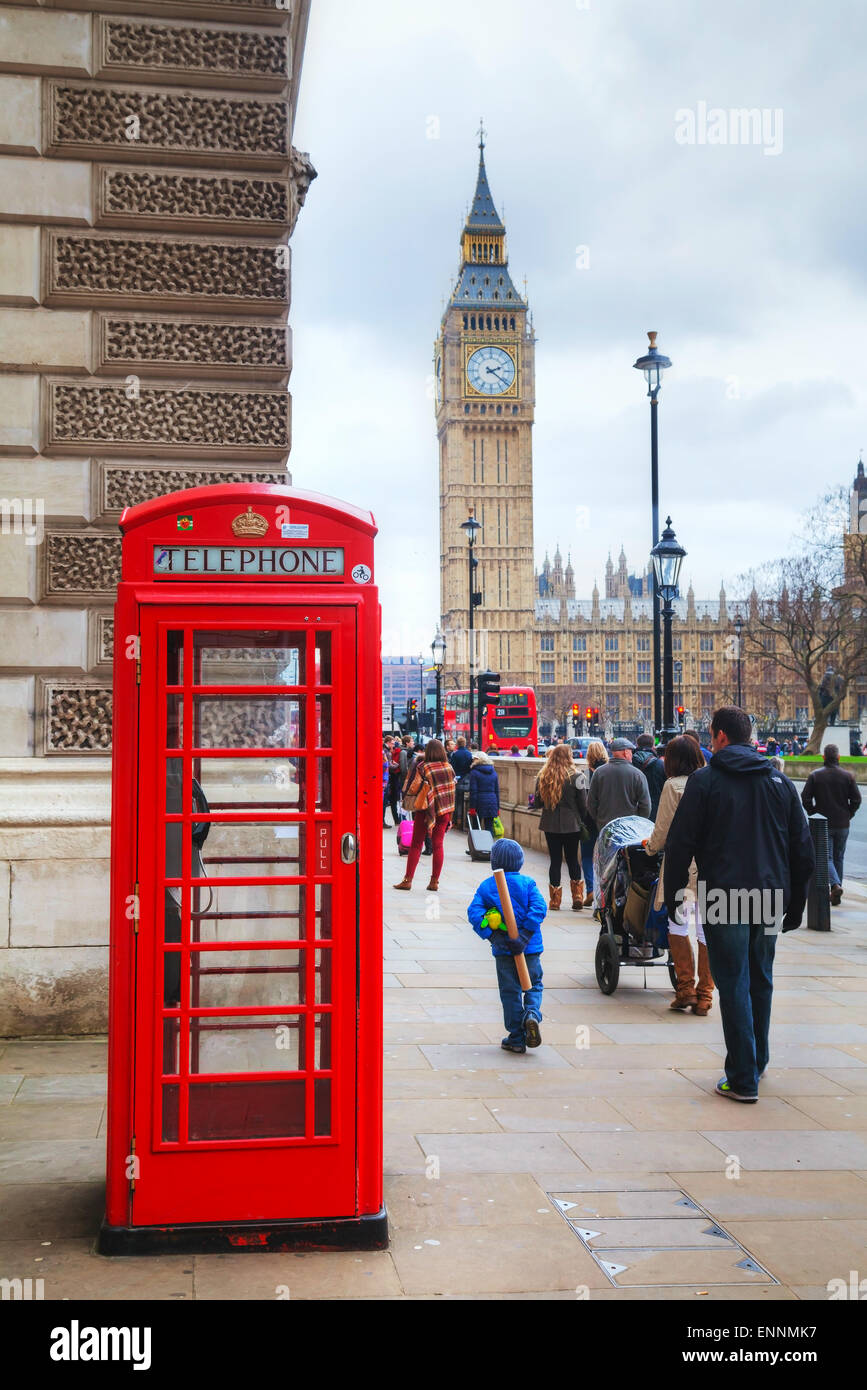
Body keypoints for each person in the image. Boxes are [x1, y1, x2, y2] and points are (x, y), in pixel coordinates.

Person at [664, 706, 815, 1103]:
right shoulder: (780, 783)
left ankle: (742, 1078)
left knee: (733, 983)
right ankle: (758, 1061)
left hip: (725, 895)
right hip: (766, 895)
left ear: (720, 737)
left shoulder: (705, 781)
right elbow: (803, 848)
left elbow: (681, 844)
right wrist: (797, 902)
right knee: (760, 977)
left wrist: (676, 894)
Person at [645, 735, 713, 1014]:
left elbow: (661, 832)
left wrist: (649, 848)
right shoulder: (710, 782)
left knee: (677, 924)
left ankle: (685, 989)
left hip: (680, 867)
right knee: (705, 930)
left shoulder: (672, 786)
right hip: (709, 865)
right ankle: (705, 995)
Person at [467, 838, 546, 1053]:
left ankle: (517, 1037)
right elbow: (540, 907)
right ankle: (532, 1014)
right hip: (529, 949)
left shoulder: (487, 886)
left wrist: (494, 937)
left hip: (504, 952)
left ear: (494, 863)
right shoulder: (528, 883)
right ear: (520, 862)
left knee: (510, 992)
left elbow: (473, 913)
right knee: (534, 984)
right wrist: (526, 934)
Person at [801, 744, 862, 905]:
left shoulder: (815, 776)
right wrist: (849, 813)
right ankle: (837, 890)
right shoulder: (848, 776)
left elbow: (805, 797)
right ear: (839, 757)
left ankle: (835, 886)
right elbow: (857, 799)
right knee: (838, 858)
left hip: (823, 822)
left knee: (825, 857)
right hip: (843, 823)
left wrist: (813, 813)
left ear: (823, 757)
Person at [532, 743, 589, 910]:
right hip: (571, 824)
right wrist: (581, 819)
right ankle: (577, 895)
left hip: (550, 823)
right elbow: (583, 805)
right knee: (572, 859)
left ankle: (555, 901)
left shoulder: (543, 775)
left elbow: (537, 802)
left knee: (555, 861)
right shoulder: (578, 776)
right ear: (569, 756)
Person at [393, 739, 455, 892]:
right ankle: (434, 882)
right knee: (438, 844)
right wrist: (451, 818)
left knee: (416, 844)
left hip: (424, 809)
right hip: (444, 810)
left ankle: (408, 880)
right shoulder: (449, 768)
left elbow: (413, 787)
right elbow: (452, 793)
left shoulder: (423, 767)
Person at [586, 737, 651, 830]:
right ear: (625, 752)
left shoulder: (599, 772)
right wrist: (637, 822)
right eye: (631, 752)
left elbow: (591, 802)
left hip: (605, 824)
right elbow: (646, 806)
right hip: (630, 826)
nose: (632, 755)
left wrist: (599, 819)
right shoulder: (638, 774)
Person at [581, 740, 608, 902]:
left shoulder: (583, 775)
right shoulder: (609, 772)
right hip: (605, 818)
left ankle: (590, 889)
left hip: (587, 820)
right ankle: (603, 892)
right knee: (606, 856)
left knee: (586, 855)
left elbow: (581, 800)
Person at [632, 733, 666, 819]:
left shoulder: (630, 763)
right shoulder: (660, 765)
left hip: (633, 811)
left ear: (637, 745)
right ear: (653, 746)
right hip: (655, 810)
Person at [467, 749, 500, 832]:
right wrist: (497, 807)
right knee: (489, 827)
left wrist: (472, 807)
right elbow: (497, 791)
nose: (472, 760)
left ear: (478, 760)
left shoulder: (474, 772)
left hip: (479, 802)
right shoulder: (494, 772)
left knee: (476, 826)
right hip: (492, 801)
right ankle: (490, 844)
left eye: (474, 759)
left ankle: (477, 844)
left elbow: (473, 792)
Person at [450, 735, 473, 830]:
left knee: (457, 801)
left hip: (458, 780)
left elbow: (452, 768)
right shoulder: (469, 754)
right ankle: (464, 821)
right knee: (465, 801)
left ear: (458, 744)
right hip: (467, 780)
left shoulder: (455, 754)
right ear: (465, 743)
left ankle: (457, 820)